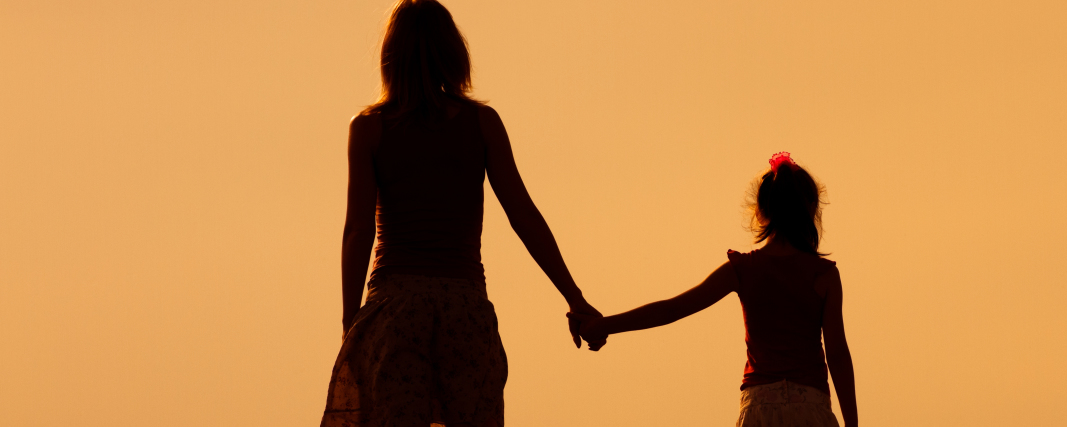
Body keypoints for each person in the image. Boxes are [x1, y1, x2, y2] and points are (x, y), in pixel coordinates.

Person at [321, 1, 602, 426]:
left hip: (395, 309)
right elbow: (524, 216)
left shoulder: (369, 128)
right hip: (465, 310)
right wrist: (574, 297)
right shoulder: (481, 123)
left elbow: (358, 231)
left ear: (390, 57)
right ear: (454, 54)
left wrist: (350, 322)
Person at [575, 152, 857, 427]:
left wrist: (603, 325)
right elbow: (837, 353)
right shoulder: (824, 275)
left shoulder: (743, 269)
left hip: (759, 408)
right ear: (810, 210)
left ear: (761, 211)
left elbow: (673, 309)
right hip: (810, 408)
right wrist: (853, 423)